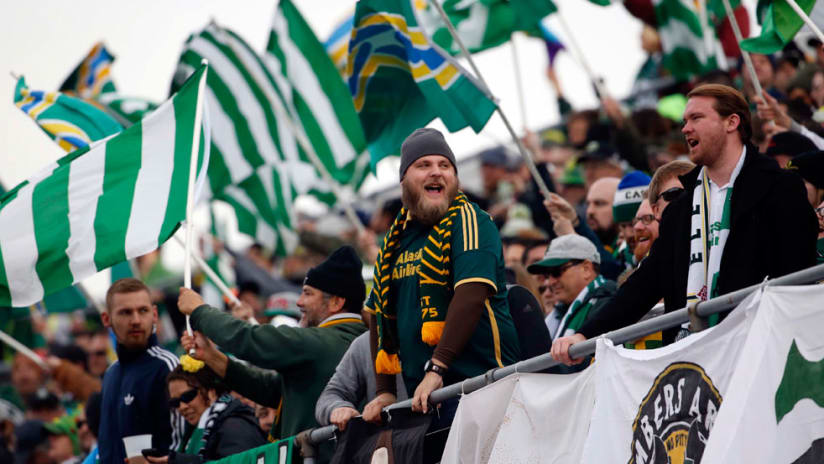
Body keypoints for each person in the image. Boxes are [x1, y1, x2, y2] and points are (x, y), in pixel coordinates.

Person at [551, 84, 818, 366]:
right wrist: (584, 335)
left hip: (761, 353)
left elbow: (796, 273)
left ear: (732, 122)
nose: (686, 129)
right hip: (694, 365)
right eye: (684, 121)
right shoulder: (681, 209)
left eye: (696, 118)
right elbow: (646, 283)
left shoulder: (779, 187)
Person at [362, 128, 521, 423]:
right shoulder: (393, 241)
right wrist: (384, 390)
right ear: (403, 180)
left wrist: (437, 368)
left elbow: (471, 295)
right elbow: (378, 313)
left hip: (483, 388)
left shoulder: (472, 221)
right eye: (424, 165)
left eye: (444, 165)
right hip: (425, 399)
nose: (436, 173)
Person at [177, 246, 367, 442]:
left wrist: (200, 312)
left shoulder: (323, 342)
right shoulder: (348, 340)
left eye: (308, 294)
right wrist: (211, 356)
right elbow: (272, 390)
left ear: (336, 302)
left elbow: (252, 339)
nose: (299, 302)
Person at [98, 278, 184, 464]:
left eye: (142, 311)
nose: (136, 320)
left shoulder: (167, 366)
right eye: (125, 312)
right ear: (107, 319)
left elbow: (182, 442)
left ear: (154, 314)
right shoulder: (111, 374)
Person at [146, 364, 265, 464]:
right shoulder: (194, 429)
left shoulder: (235, 426)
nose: (182, 407)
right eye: (175, 402)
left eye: (188, 396)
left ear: (211, 392)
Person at [527, 235, 616, 364]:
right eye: (547, 275)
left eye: (557, 272)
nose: (550, 282)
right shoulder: (559, 312)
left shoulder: (608, 305)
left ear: (586, 269)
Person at [314, 332, 407, 432]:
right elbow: (330, 395)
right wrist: (339, 408)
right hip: (394, 442)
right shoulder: (365, 342)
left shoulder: (426, 330)